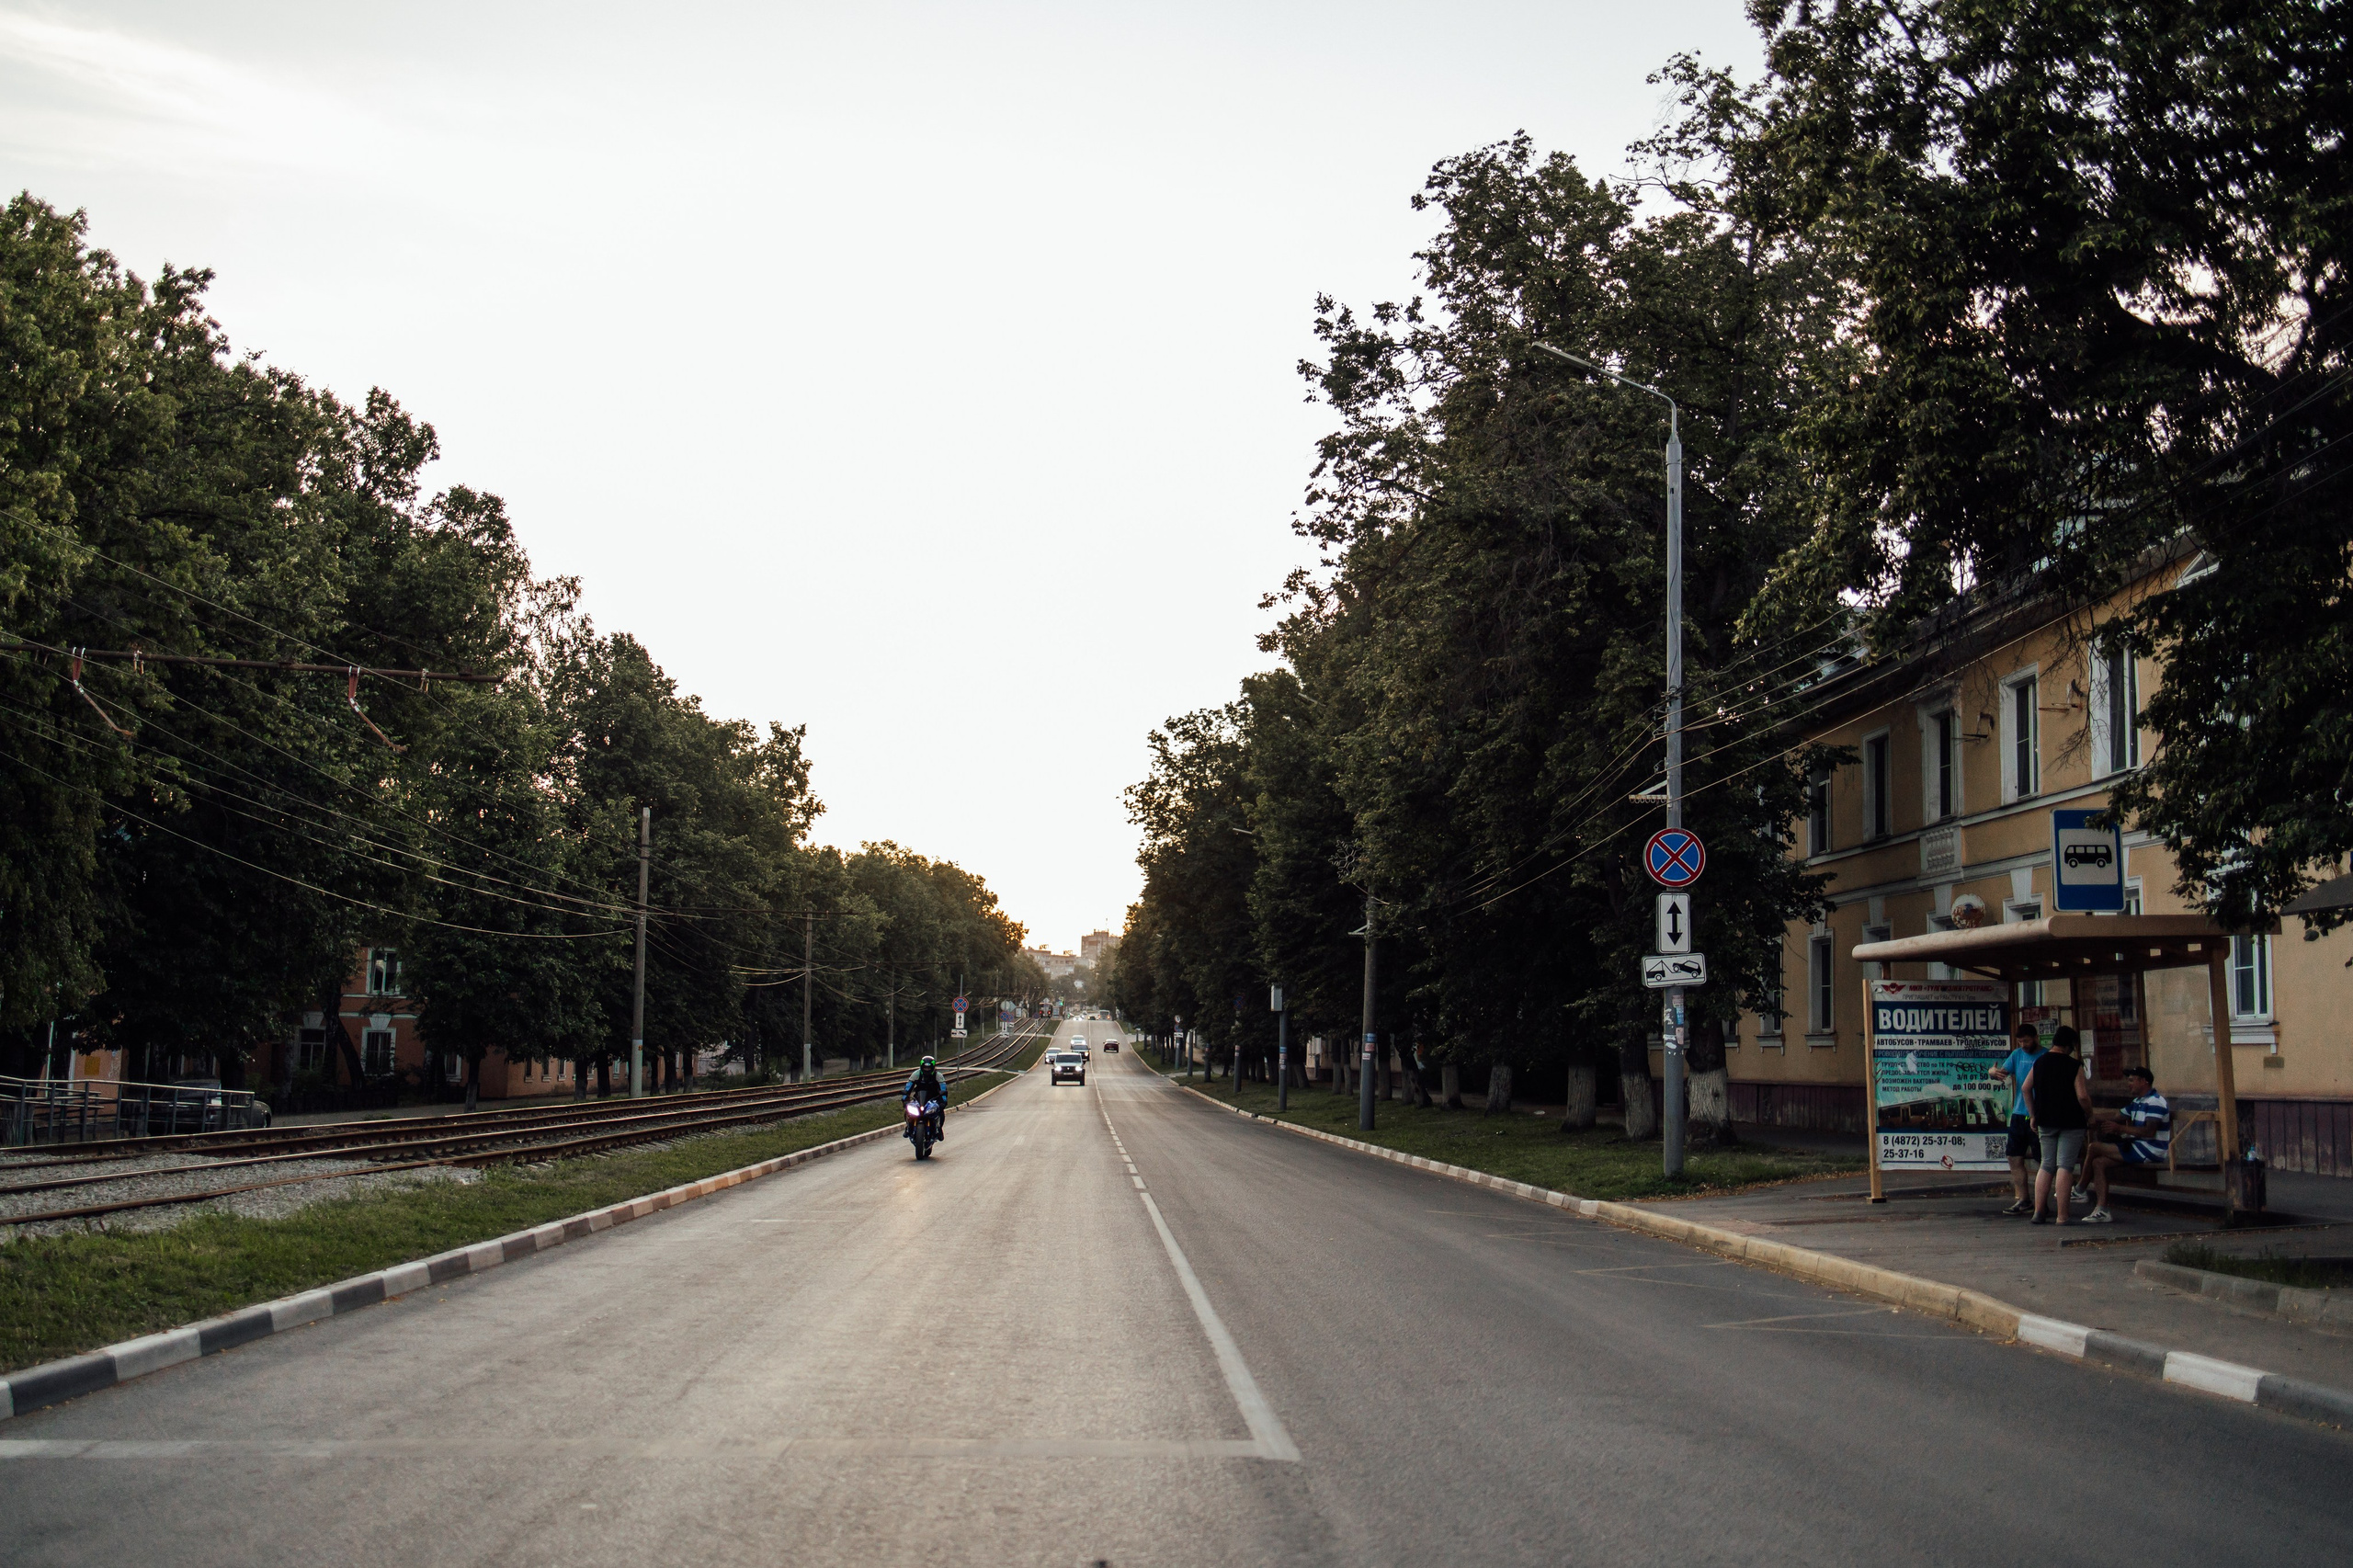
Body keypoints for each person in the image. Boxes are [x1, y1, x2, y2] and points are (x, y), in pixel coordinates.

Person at [2078, 1065, 2170, 1223]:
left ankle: (2080, 1189)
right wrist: (2092, 1117)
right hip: (2137, 1147)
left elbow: (2149, 1132)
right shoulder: (2137, 1102)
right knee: (2098, 1163)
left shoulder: (2155, 1102)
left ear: (2144, 1081)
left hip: (2151, 1149)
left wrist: (2120, 1128)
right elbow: (2117, 1115)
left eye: (2132, 1080)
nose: (2129, 1084)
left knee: (2094, 1147)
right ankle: (2102, 1210)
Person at [2027, 1025, 2095, 1225]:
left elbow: (2025, 1088)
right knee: (2064, 1166)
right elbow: (2082, 1096)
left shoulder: (2039, 1062)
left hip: (2045, 1120)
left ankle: (2039, 1212)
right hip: (2071, 1121)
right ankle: (2062, 1216)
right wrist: (2090, 1114)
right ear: (2070, 1045)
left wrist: (2033, 1115)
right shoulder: (2074, 1065)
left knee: (2046, 1164)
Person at [1990, 1024, 2046, 1216]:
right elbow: (2001, 1073)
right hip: (2019, 1113)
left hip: (2038, 1113)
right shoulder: (2017, 1055)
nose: (2023, 1045)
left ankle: (2042, 1201)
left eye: (2027, 1041)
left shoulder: (2045, 1055)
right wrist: (1992, 1072)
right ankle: (2023, 1199)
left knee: (2042, 1159)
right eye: (2020, 1041)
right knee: (2014, 1157)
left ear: (2035, 1038)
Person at [904, 1054, 947, 1143]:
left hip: (934, 1098)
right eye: (925, 1068)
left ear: (933, 1067)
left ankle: (939, 1128)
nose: (927, 1070)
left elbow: (943, 1089)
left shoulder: (938, 1076)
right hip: (919, 1098)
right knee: (908, 1110)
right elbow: (908, 1087)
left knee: (940, 1112)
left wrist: (943, 1101)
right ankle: (908, 1127)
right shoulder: (916, 1074)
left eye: (929, 1068)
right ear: (921, 1066)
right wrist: (905, 1099)